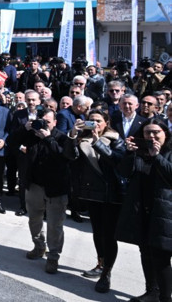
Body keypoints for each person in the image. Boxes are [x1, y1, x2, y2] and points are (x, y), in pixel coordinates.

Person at [70, 109, 125, 293]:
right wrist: (73, 135)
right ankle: (100, 263)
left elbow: (117, 160)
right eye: (91, 120)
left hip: (111, 194)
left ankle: (106, 273)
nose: (95, 124)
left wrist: (97, 142)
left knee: (109, 235)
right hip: (91, 192)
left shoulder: (115, 139)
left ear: (106, 122)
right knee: (97, 232)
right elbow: (69, 156)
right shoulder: (82, 139)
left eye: (99, 121)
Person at [118, 119, 172, 302]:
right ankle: (151, 291)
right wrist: (129, 152)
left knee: (161, 256)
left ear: (165, 133)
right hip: (142, 209)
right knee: (146, 252)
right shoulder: (139, 153)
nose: (152, 136)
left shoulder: (169, 152)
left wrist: (157, 156)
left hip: (164, 212)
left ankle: (165, 298)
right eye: (147, 132)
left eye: (156, 132)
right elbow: (124, 172)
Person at [23, 108, 78, 275]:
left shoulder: (62, 137)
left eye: (47, 122)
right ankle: (39, 246)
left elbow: (64, 157)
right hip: (35, 185)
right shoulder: (33, 134)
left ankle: (53, 256)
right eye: (41, 121)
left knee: (55, 225)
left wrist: (48, 139)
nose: (44, 125)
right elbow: (13, 142)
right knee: (34, 219)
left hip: (56, 188)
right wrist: (24, 129)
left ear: (55, 122)